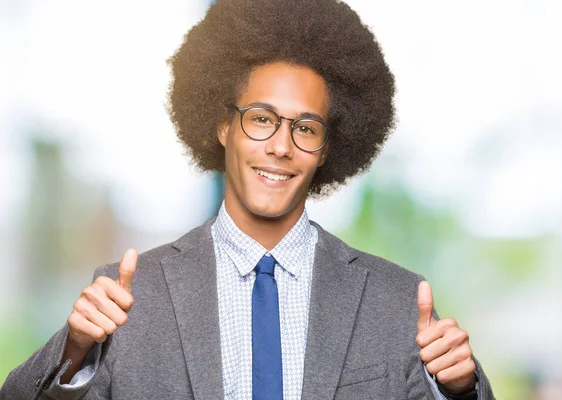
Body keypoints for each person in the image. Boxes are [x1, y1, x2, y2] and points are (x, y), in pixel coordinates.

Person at [1, 0, 495, 398]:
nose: (281, 146)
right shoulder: (129, 298)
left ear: (326, 150)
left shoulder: (396, 302)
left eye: (306, 127)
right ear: (222, 126)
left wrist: (458, 390)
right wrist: (75, 352)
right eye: (261, 119)